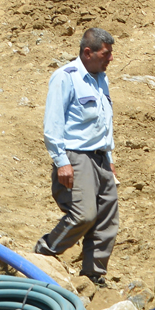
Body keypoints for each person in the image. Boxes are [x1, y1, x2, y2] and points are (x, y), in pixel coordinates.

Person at [36, 27, 118, 284]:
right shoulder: (65, 77)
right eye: (106, 54)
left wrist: (111, 160)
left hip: (101, 157)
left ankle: (93, 274)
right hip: (77, 156)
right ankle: (45, 251)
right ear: (87, 52)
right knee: (84, 214)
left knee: (107, 217)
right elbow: (53, 124)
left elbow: (105, 122)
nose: (110, 59)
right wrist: (62, 162)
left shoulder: (100, 79)